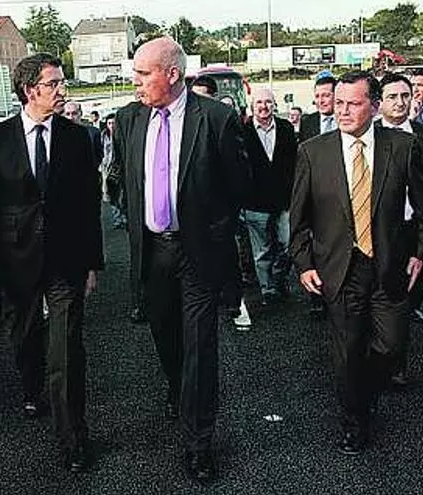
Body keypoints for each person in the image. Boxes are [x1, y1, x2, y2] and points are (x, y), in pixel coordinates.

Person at [112, 36, 249, 481]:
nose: (135, 83)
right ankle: (177, 387)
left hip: (198, 254)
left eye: (143, 74)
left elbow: (238, 184)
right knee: (166, 336)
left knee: (200, 348)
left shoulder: (216, 118)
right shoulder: (128, 119)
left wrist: (214, 231)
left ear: (172, 74)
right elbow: (123, 178)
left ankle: (198, 442)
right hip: (153, 253)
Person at [0, 53, 103, 473]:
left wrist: (92, 264)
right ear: (30, 90)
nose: (62, 90)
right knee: (25, 339)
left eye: (62, 82)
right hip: (15, 262)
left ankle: (73, 438)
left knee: (67, 352)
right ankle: (33, 388)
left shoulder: (77, 137)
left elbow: (88, 205)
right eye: (54, 84)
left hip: (66, 260)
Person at [290, 71, 423, 455]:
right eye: (339, 103)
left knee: (391, 346)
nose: (343, 111)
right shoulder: (313, 152)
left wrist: (420, 252)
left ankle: (364, 391)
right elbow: (298, 219)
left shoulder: (403, 147)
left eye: (353, 104)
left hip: (389, 266)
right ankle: (354, 422)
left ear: (374, 106)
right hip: (339, 270)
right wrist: (304, 263)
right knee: (348, 352)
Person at [375, 73, 423, 386]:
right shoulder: (369, 135)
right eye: (392, 97)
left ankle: (397, 365)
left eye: (405, 96)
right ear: (379, 102)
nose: (400, 102)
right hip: (374, 230)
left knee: (401, 301)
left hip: (410, 231)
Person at [241, 88, 298, 306]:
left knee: (288, 244)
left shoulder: (285, 128)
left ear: (274, 105)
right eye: (259, 103)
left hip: (284, 200)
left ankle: (279, 278)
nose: (263, 107)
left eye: (268, 102)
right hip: (255, 203)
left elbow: (294, 163)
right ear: (252, 106)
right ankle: (268, 290)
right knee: (261, 251)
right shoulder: (243, 131)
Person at [296, 75, 338, 317]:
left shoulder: (346, 121)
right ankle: (317, 296)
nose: (321, 100)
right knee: (315, 245)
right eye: (318, 96)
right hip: (315, 195)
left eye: (326, 95)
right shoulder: (309, 122)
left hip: (341, 194)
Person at [101, 115, 127, 229]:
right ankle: (117, 218)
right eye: (109, 123)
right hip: (108, 170)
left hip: (121, 169)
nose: (111, 126)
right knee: (112, 196)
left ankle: (124, 217)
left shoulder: (122, 135)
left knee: (122, 196)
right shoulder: (104, 136)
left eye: (113, 123)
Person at [297, 75, 337, 143]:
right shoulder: (306, 122)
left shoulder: (348, 119)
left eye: (326, 96)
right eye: (317, 96)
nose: (320, 101)